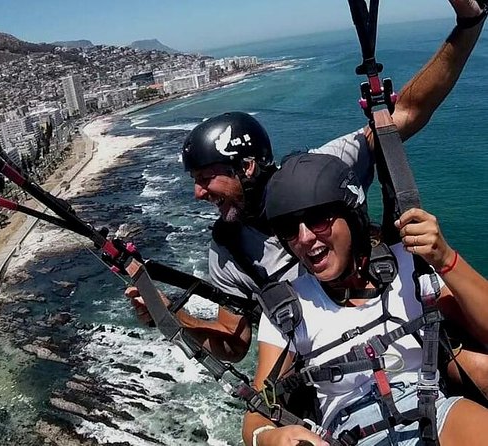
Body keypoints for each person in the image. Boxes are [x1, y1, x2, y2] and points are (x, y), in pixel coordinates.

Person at [126, 0, 488, 365]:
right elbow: (233, 345)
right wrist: (171, 315)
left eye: (206, 178)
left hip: (396, 317)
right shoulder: (229, 247)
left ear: (247, 167)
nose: (198, 193)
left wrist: (469, 23)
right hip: (332, 367)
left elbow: (404, 114)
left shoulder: (322, 171)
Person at [243, 152, 488, 446]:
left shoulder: (411, 267)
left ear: (352, 215)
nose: (305, 237)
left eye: (318, 219)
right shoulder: (287, 308)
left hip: (431, 406)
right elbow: (258, 411)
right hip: (349, 433)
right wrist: (269, 438)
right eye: (289, 228)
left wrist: (446, 259)